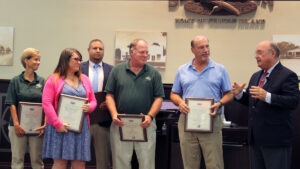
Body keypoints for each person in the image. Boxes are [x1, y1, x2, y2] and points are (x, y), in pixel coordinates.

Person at [232, 41, 299, 169]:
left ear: (272, 53)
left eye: (260, 53)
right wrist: (239, 95)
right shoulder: (256, 76)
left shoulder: (288, 75)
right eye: (256, 53)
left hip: (276, 141)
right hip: (256, 139)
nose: (256, 56)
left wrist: (267, 96)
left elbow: (293, 101)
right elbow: (253, 102)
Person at [170, 36, 233, 169]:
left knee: (214, 164)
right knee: (189, 164)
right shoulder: (182, 70)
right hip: (187, 121)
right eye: (201, 47)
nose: (206, 50)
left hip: (211, 120)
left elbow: (229, 94)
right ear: (192, 50)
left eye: (207, 46)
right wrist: (180, 102)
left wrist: (220, 103)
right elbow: (174, 94)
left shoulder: (220, 69)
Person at [105, 39, 164, 169]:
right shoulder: (117, 70)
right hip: (120, 123)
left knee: (147, 163)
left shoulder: (154, 73)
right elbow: (109, 95)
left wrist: (150, 116)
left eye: (147, 52)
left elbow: (159, 98)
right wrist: (114, 114)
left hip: (145, 123)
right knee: (120, 163)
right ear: (132, 52)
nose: (145, 55)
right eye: (142, 52)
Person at [42, 48, 97, 169]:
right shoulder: (53, 79)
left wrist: (90, 107)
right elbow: (46, 103)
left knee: (80, 163)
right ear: (65, 60)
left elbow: (93, 100)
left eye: (80, 59)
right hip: (61, 127)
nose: (79, 62)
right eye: (76, 59)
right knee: (60, 163)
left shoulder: (85, 80)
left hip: (81, 128)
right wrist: (57, 124)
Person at [5, 48, 45, 169]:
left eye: (39, 60)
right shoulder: (15, 81)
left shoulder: (42, 81)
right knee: (17, 159)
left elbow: (46, 104)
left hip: (37, 127)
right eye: (35, 59)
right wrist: (16, 125)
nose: (38, 62)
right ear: (26, 61)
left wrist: (45, 123)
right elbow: (12, 104)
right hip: (18, 126)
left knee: (37, 160)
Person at [81, 39, 113, 169]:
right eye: (95, 48)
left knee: (103, 159)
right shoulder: (78, 68)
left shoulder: (112, 70)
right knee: (78, 157)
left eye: (101, 49)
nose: (98, 51)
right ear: (88, 50)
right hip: (81, 120)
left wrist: (110, 102)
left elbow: (115, 92)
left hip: (102, 119)